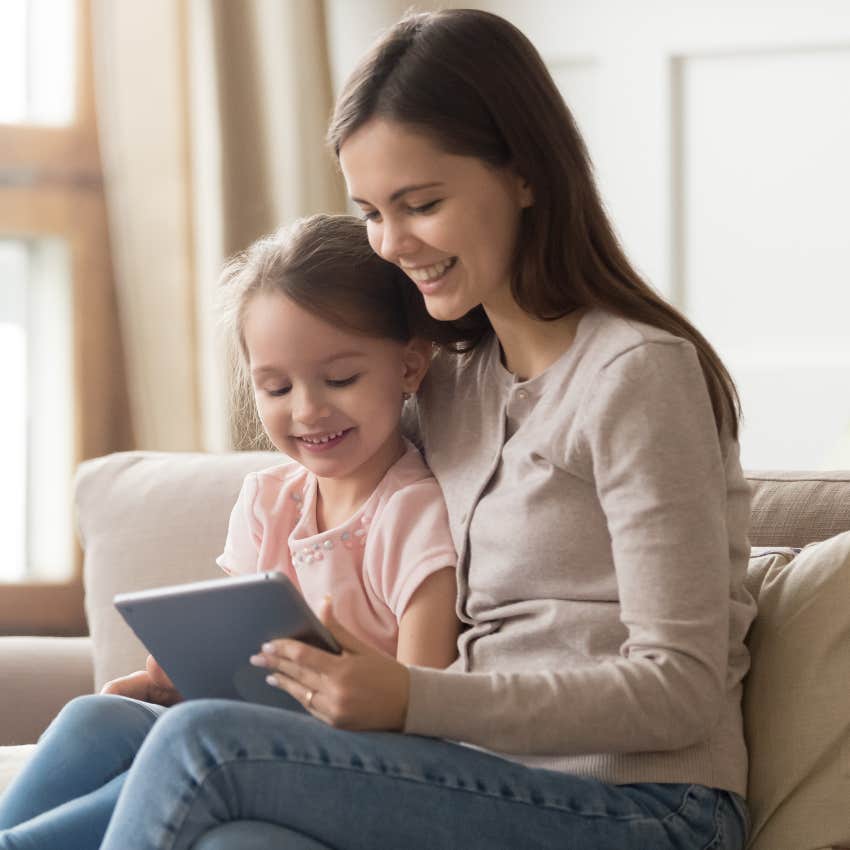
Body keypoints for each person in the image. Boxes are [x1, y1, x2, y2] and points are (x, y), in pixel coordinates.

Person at [0, 214, 460, 850]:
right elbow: (230, 657)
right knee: (96, 717)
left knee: (172, 760)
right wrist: (179, 680)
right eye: (276, 386)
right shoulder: (268, 499)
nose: (307, 409)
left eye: (340, 378)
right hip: (239, 736)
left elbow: (428, 704)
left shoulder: (413, 514)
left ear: (409, 366)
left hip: (347, 767)